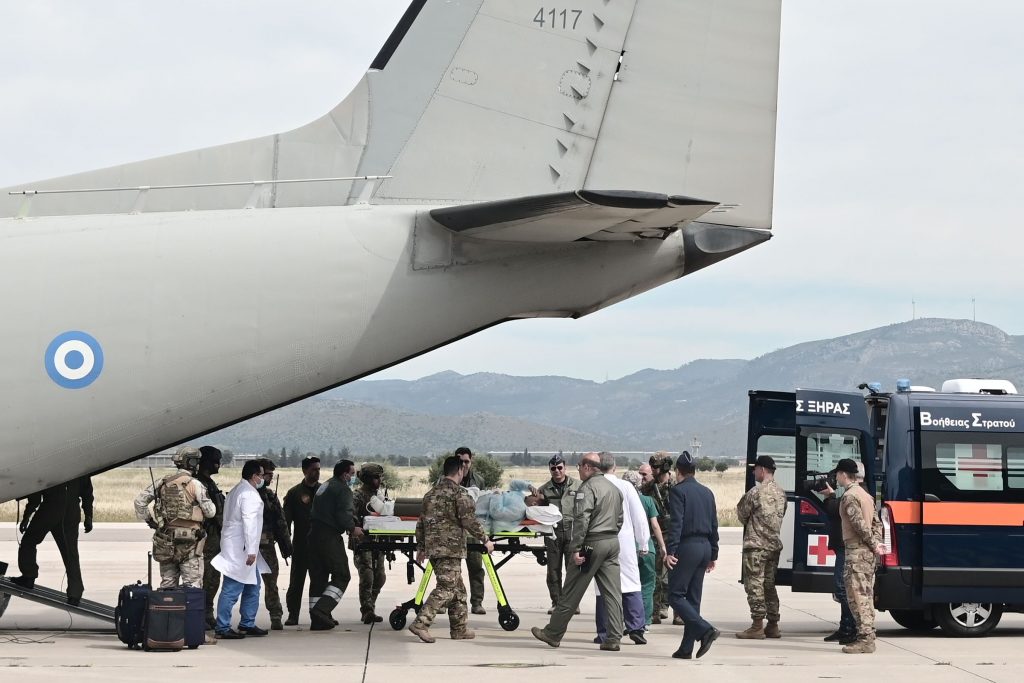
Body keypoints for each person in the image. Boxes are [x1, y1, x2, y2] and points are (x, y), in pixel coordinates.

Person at [531, 452, 624, 652]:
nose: (579, 470)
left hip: (592, 543)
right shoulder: (614, 488)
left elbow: (581, 519)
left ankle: (553, 632)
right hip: (611, 542)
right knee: (613, 593)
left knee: (571, 590)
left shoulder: (587, 488)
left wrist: (576, 548)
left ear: (588, 467)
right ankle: (614, 638)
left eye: (580, 466)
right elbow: (619, 519)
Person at [408, 455, 495, 643]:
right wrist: (485, 540)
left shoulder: (430, 494)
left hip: (434, 549)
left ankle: (459, 629)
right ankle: (421, 623)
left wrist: (421, 547)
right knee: (447, 587)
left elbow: (421, 523)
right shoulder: (459, 494)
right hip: (450, 549)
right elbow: (469, 520)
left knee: (459, 590)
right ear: (460, 471)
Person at [134, 446, 216, 589]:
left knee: (167, 585)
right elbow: (210, 512)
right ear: (191, 463)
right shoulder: (195, 484)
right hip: (190, 542)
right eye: (196, 461)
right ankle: (189, 611)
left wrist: (150, 521)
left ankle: (168, 610)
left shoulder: (162, 482)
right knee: (192, 586)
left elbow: (139, 502)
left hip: (165, 541)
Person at [664, 451, 720, 660]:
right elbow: (714, 524)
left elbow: (676, 524)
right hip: (704, 546)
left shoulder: (678, 492)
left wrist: (671, 551)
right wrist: (713, 552)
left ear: (678, 471)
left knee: (675, 595)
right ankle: (686, 648)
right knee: (693, 598)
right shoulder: (707, 492)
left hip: (687, 547)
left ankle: (705, 629)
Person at [593, 452, 651, 645]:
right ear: (615, 468)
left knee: (603, 587)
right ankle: (636, 627)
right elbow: (639, 517)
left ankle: (605, 631)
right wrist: (643, 543)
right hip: (625, 543)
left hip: (600, 541)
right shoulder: (626, 486)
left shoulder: (593, 486)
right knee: (631, 583)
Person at [212, 460, 271, 639]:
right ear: (254, 476)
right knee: (232, 586)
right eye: (261, 475)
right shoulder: (249, 494)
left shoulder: (238, 490)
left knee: (253, 584)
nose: (263, 478)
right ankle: (222, 627)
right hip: (242, 547)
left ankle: (247, 623)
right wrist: (252, 550)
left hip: (236, 543)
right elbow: (250, 522)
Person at [13, 476, 93, 606]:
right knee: (71, 553)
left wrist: (27, 515)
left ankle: (28, 575)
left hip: (51, 507)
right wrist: (88, 515)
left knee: (29, 541)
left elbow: (36, 493)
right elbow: (87, 491)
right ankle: (75, 594)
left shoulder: (51, 462)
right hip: (71, 511)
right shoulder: (79, 463)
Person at [835, 458, 886, 654]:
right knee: (865, 595)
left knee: (857, 597)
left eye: (837, 474)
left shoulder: (850, 497)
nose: (836, 477)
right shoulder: (866, 495)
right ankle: (866, 636)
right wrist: (876, 543)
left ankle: (865, 640)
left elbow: (859, 525)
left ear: (843, 474)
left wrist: (872, 544)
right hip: (867, 554)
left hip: (857, 552)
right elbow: (876, 524)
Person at [735, 454, 787, 639]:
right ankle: (773, 624)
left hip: (756, 546)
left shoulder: (755, 492)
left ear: (762, 470)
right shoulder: (781, 493)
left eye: (755, 468)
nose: (754, 472)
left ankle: (757, 625)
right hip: (773, 546)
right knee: (769, 585)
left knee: (754, 585)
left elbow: (741, 514)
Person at [307, 459, 356, 630]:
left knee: (319, 577)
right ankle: (322, 610)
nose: (353, 477)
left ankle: (317, 619)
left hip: (313, 535)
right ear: (345, 474)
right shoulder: (343, 490)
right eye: (352, 474)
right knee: (342, 575)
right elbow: (343, 516)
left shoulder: (326, 485)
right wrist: (353, 528)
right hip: (328, 537)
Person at [537, 453, 581, 613]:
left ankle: (573, 603)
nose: (557, 471)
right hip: (553, 533)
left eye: (559, 467)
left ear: (565, 468)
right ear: (550, 470)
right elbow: (537, 510)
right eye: (553, 468)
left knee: (573, 570)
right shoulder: (543, 490)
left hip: (572, 532)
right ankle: (556, 602)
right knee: (553, 570)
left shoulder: (577, 486)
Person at [622, 469, 665, 626]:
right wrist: (662, 546)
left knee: (626, 586)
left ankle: (627, 620)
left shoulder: (620, 501)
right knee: (647, 586)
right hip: (647, 548)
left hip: (626, 550)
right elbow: (654, 525)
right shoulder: (647, 501)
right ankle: (644, 622)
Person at [282, 455, 321, 626]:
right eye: (313, 469)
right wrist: (286, 543)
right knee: (297, 582)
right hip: (301, 545)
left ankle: (319, 614)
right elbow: (286, 521)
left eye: (318, 469)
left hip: (320, 546)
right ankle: (293, 614)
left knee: (319, 582)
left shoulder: (324, 491)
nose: (317, 473)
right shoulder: (294, 493)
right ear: (304, 470)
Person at [820, 469, 857, 644]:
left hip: (846, 546)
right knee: (841, 588)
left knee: (842, 588)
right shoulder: (849, 493)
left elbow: (837, 511)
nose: (835, 479)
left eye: (837, 475)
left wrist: (831, 496)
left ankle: (850, 629)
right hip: (843, 545)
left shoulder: (854, 493)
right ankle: (845, 628)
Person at [256, 459, 292, 631]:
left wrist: (286, 546)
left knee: (271, 583)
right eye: (268, 474)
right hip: (250, 546)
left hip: (267, 544)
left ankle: (276, 615)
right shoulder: (245, 493)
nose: (270, 477)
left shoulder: (270, 496)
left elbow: (281, 523)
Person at [351, 462, 388, 624]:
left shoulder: (380, 496)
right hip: (363, 542)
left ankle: (370, 605)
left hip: (378, 541)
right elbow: (351, 516)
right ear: (366, 479)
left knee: (380, 577)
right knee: (367, 576)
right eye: (375, 477)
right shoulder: (357, 496)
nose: (378, 480)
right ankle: (366, 610)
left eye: (379, 477)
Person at [455, 446, 488, 615]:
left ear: (471, 461)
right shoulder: (446, 479)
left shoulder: (479, 480)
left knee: (476, 567)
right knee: (452, 569)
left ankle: (476, 602)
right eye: (461, 462)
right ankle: (448, 601)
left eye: (467, 461)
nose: (464, 465)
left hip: (472, 529)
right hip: (453, 531)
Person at [195, 445, 226, 629]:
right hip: (206, 540)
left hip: (215, 540)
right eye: (216, 461)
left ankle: (207, 613)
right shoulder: (199, 484)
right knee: (205, 578)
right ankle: (200, 614)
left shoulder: (209, 483)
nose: (219, 465)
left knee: (213, 578)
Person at [642, 453, 674, 623]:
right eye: (652, 467)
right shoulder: (648, 488)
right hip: (655, 535)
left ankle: (670, 608)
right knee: (654, 575)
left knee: (672, 575)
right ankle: (654, 612)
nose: (653, 470)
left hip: (674, 535)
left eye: (656, 467)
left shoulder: (676, 486)